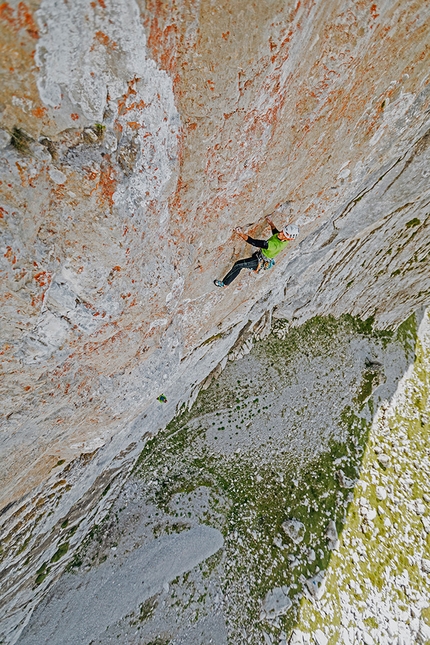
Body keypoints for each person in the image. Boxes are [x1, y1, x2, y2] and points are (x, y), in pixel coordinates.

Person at [214, 215, 300, 288]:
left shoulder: (274, 245)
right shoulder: (283, 238)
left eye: (284, 234)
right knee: (240, 264)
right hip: (260, 255)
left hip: (259, 261)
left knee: (238, 264)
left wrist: (241, 234)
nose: (281, 233)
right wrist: (270, 223)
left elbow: (254, 242)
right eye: (282, 231)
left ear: (289, 238)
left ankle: (224, 284)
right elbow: (276, 233)